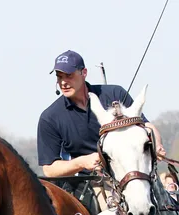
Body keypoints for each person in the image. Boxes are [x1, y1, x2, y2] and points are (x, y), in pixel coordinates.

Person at [36, 50, 166, 200]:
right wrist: (81, 162)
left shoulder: (115, 93)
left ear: (84, 73)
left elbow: (147, 126)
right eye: (59, 77)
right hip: (93, 184)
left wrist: (157, 144)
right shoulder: (50, 118)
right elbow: (49, 169)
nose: (63, 83)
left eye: (69, 76)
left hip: (134, 174)